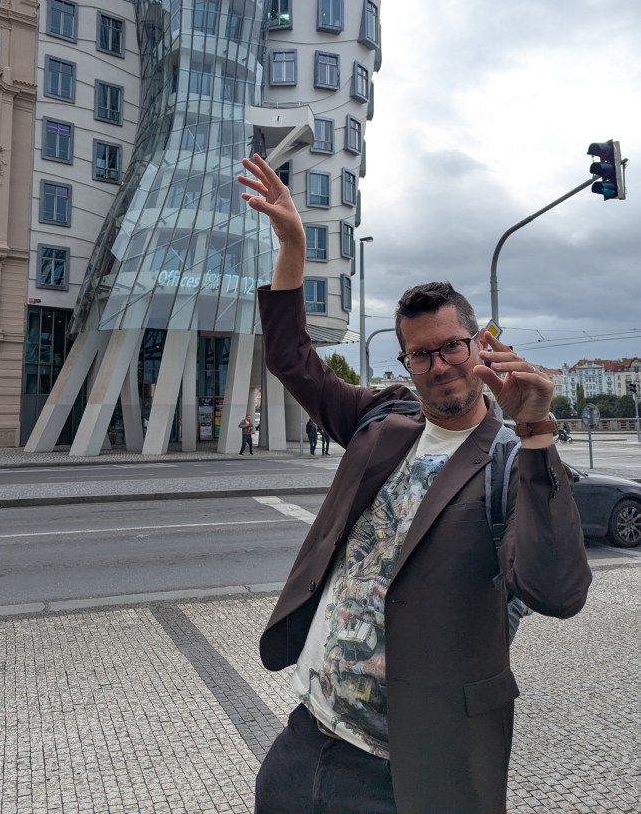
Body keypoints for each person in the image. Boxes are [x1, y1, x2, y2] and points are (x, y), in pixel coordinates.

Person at [238, 154, 591, 814]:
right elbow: (291, 358)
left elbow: (556, 590)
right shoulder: (384, 417)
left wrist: (539, 429)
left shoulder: (514, 459)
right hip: (306, 741)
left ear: (480, 345)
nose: (438, 365)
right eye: (420, 353)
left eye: (452, 345)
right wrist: (292, 247)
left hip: (409, 775)